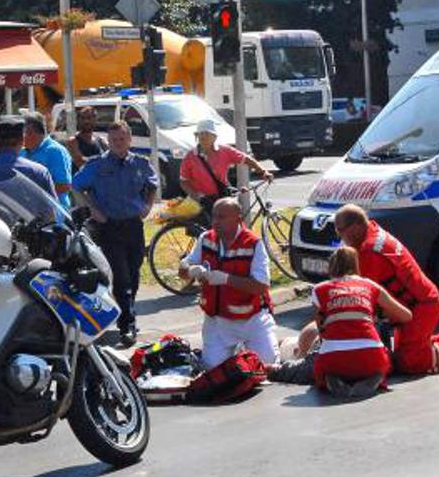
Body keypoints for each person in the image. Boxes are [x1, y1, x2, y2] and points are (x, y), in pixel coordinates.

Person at [332, 203, 439, 375]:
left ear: (356, 227)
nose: (339, 237)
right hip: (420, 301)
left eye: (340, 231)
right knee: (408, 349)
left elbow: (364, 298)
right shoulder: (373, 230)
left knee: (410, 362)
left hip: (421, 307)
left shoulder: (368, 253)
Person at [72, 120, 159, 346]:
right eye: (113, 140)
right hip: (109, 227)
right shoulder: (96, 166)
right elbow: (76, 185)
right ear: (108, 142)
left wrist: (148, 206)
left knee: (133, 273)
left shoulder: (140, 163)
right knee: (121, 277)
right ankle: (127, 326)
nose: (118, 143)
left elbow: (153, 184)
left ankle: (126, 312)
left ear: (129, 139)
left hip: (133, 225)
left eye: (122, 139)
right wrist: (92, 208)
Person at [182, 197, 278, 369]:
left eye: (222, 217)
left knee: (267, 366)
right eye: (214, 217)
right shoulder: (206, 239)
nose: (216, 222)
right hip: (218, 322)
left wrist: (226, 279)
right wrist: (189, 269)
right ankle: (237, 354)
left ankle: (256, 347)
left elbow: (261, 286)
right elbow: (182, 271)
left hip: (252, 319)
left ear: (238, 219)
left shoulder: (254, 244)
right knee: (213, 371)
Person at [311, 246, 411, 396]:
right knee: (386, 358)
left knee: (318, 366)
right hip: (371, 357)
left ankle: (329, 379)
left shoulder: (319, 290)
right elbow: (406, 316)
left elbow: (321, 329)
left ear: (331, 267)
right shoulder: (370, 286)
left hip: (332, 359)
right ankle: (375, 376)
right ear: (356, 264)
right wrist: (381, 313)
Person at [178, 118, 273, 208]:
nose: (203, 137)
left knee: (231, 219)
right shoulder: (190, 156)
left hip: (222, 197)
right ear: (196, 136)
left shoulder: (224, 151)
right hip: (202, 202)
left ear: (214, 137)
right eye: (200, 134)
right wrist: (196, 196)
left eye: (207, 134)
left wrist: (263, 171)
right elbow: (183, 181)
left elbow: (246, 159)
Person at [21, 111, 74, 208]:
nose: (20, 137)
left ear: (32, 132)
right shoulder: (23, 152)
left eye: (22, 133)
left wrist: (34, 191)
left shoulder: (55, 151)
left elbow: (64, 186)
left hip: (54, 213)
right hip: (30, 212)